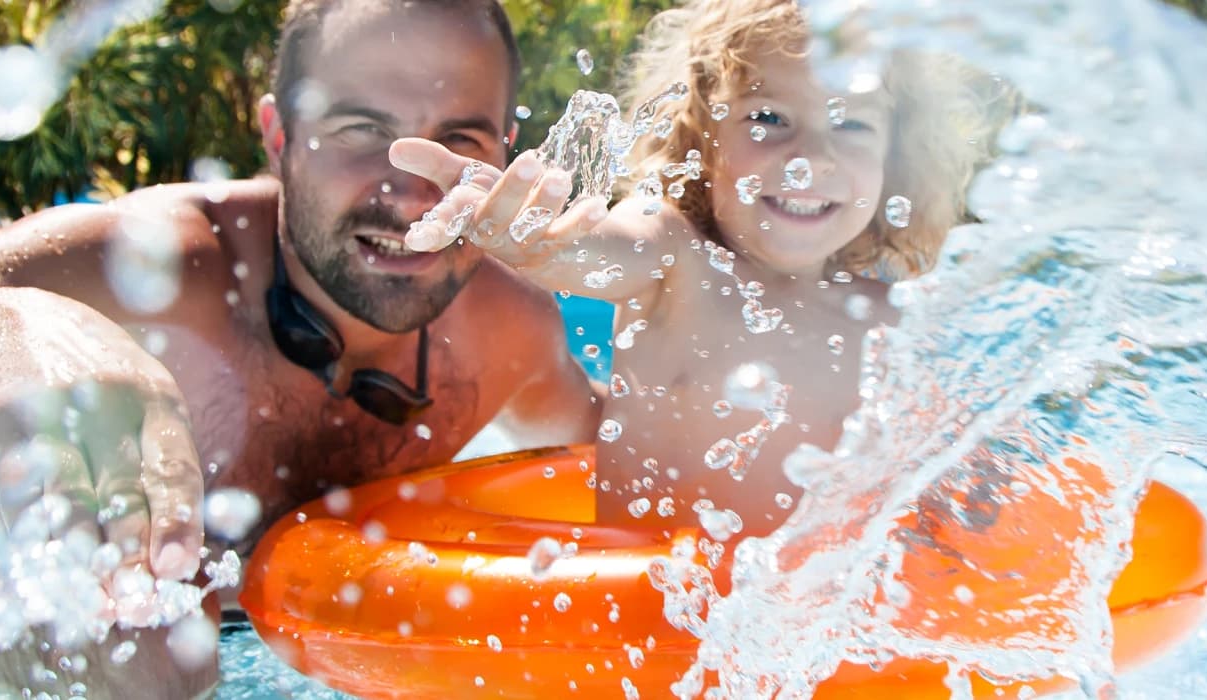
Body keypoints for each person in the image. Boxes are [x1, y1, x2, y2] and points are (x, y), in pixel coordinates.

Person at [0, 0, 597, 696]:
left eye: (459, 142)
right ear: (277, 135)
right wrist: (2, 328)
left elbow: (639, 465)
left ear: (504, 153)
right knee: (153, 660)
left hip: (282, 650)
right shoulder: (143, 268)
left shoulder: (509, 327)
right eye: (360, 130)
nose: (414, 192)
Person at [391, 0, 998, 540]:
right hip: (645, 628)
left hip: (803, 642)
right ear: (703, 135)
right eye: (768, 119)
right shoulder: (676, 256)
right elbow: (598, 249)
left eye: (852, 124)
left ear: (895, 157)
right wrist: (534, 239)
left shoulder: (891, 318)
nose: (811, 156)